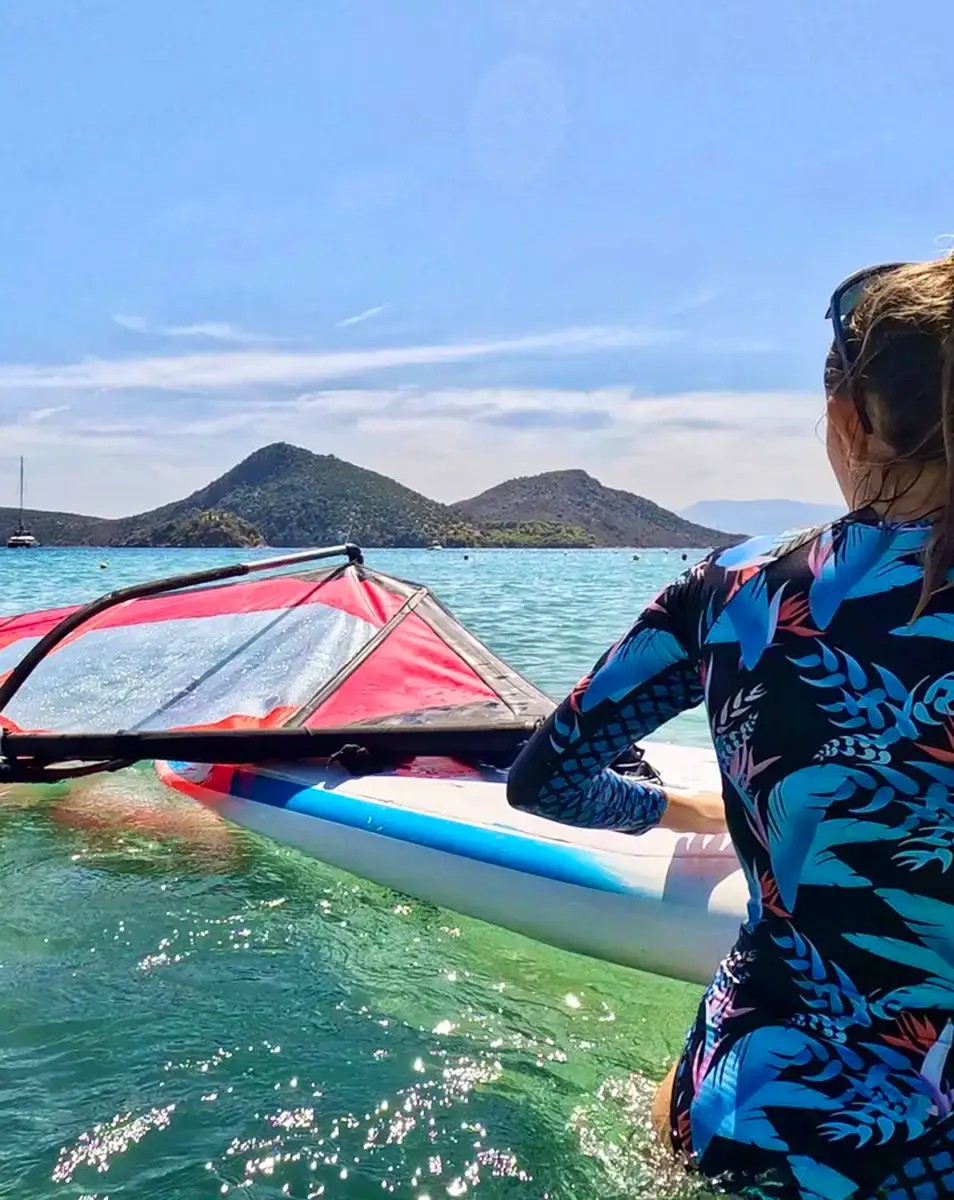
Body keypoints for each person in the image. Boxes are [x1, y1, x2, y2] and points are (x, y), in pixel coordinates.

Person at [507, 251, 954, 1200]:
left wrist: (665, 810)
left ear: (847, 420)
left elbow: (544, 778)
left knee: (651, 1104)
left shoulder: (740, 591)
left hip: (757, 1113)